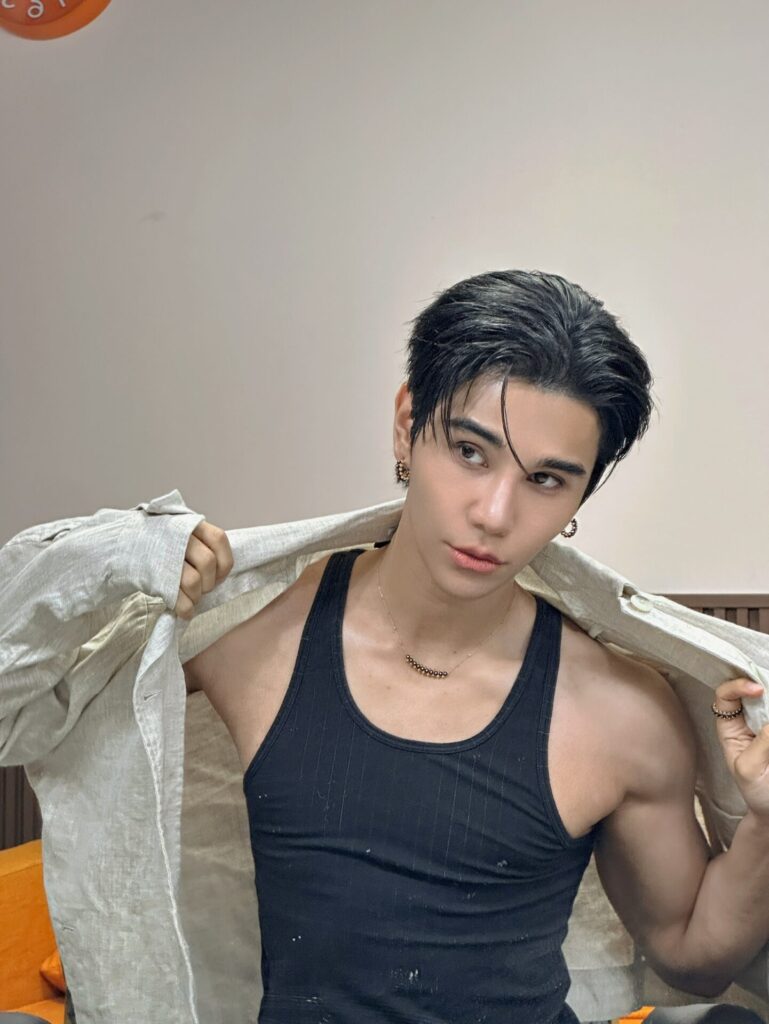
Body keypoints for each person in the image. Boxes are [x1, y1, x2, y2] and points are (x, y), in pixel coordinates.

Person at [127, 272, 769, 1022]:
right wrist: (122, 570)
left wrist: (765, 821)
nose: (494, 512)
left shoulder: (621, 711)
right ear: (408, 424)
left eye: (545, 479)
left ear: (580, 495)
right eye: (470, 450)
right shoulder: (251, 632)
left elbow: (691, 956)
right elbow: (48, 690)